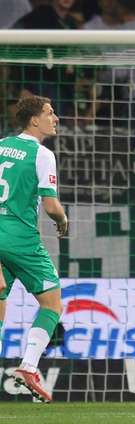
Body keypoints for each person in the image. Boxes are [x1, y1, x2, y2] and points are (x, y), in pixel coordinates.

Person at [0, 95, 68, 403]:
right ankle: (29, 367)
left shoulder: (0, 145)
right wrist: (63, 220)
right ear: (34, 120)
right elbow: (51, 206)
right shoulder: (41, 154)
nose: (55, 118)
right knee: (52, 303)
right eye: (50, 113)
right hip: (19, 239)